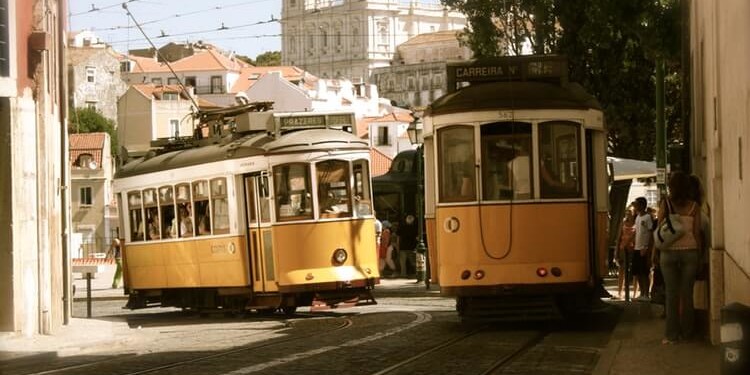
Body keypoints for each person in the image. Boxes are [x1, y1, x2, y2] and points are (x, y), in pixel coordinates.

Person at [658, 171, 702, 345]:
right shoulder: (694, 207)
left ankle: (671, 335)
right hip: (690, 252)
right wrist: (699, 254)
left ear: (671, 187)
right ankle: (687, 332)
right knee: (687, 294)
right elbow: (697, 233)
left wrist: (655, 252)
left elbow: (659, 230)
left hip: (668, 253)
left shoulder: (666, 204)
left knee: (671, 295)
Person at [632, 197, 654, 301]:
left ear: (642, 205)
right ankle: (641, 293)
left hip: (643, 248)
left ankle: (646, 293)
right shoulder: (637, 217)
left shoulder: (648, 217)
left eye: (636, 204)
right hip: (637, 247)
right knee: (638, 272)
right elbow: (637, 232)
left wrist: (646, 247)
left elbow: (650, 233)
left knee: (645, 272)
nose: (635, 206)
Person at [615, 206, 636, 299]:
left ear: (634, 213)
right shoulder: (623, 222)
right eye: (627, 212)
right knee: (621, 270)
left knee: (635, 272)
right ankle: (620, 292)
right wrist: (616, 251)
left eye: (630, 212)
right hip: (623, 249)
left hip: (633, 249)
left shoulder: (637, 222)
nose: (628, 213)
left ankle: (635, 293)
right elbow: (619, 237)